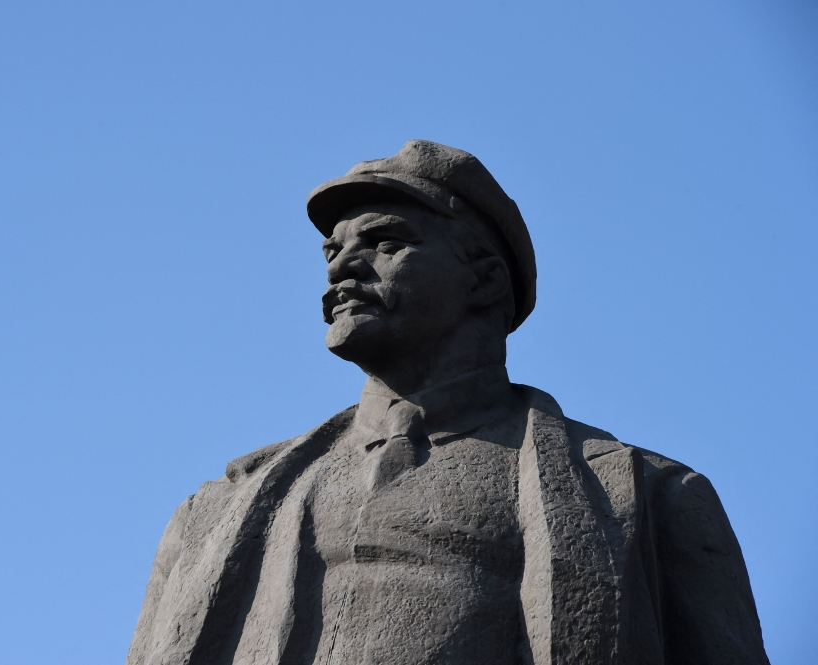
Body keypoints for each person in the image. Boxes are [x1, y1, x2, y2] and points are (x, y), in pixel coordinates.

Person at [125, 140, 769, 665]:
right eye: (332, 250)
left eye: (385, 242)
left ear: (484, 279)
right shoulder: (218, 509)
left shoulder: (653, 496)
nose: (340, 268)